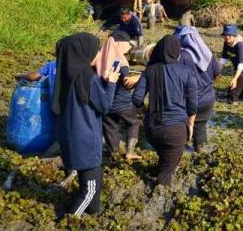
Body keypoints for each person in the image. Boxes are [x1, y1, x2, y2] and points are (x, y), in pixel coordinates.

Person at [52, 33, 118, 216]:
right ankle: (69, 221)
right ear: (83, 53)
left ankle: (93, 215)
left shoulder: (66, 75)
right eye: (95, 50)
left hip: (71, 138)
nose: (98, 53)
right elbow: (104, 106)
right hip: (85, 141)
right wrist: (111, 83)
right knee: (89, 190)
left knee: (92, 183)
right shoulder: (87, 77)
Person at [132, 35, 197, 185]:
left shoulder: (149, 70)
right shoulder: (186, 71)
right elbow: (193, 104)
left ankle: (157, 175)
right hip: (176, 130)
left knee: (164, 158)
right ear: (177, 52)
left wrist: (144, 113)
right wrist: (191, 126)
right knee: (167, 172)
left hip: (152, 129)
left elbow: (136, 99)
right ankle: (157, 196)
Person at [175, 26, 220, 152]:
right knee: (200, 127)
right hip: (208, 97)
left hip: (189, 99)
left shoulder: (182, 56)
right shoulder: (208, 53)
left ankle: (182, 153)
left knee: (184, 127)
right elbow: (217, 74)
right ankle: (200, 150)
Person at [98, 31, 141, 162]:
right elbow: (126, 82)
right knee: (133, 123)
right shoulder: (120, 61)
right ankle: (130, 152)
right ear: (118, 44)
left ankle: (113, 152)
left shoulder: (101, 57)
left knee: (110, 126)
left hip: (106, 102)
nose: (129, 47)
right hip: (122, 102)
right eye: (127, 44)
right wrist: (139, 78)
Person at [220, 24, 243, 103]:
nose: (227, 37)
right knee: (239, 92)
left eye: (230, 35)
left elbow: (242, 64)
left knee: (231, 94)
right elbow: (223, 59)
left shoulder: (240, 45)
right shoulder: (226, 42)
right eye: (225, 35)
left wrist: (235, 79)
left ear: (234, 35)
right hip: (237, 68)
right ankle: (241, 95)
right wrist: (217, 72)